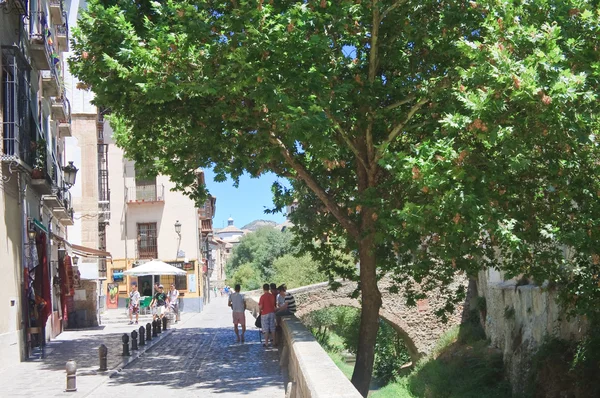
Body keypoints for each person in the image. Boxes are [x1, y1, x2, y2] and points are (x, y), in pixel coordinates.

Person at [258, 283, 276, 348]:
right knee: (272, 328)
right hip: (272, 313)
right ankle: (274, 342)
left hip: (265, 313)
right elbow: (273, 305)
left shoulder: (262, 297)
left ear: (263, 289)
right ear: (269, 288)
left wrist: (260, 311)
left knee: (266, 329)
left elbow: (261, 306)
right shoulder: (272, 296)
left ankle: (266, 343)